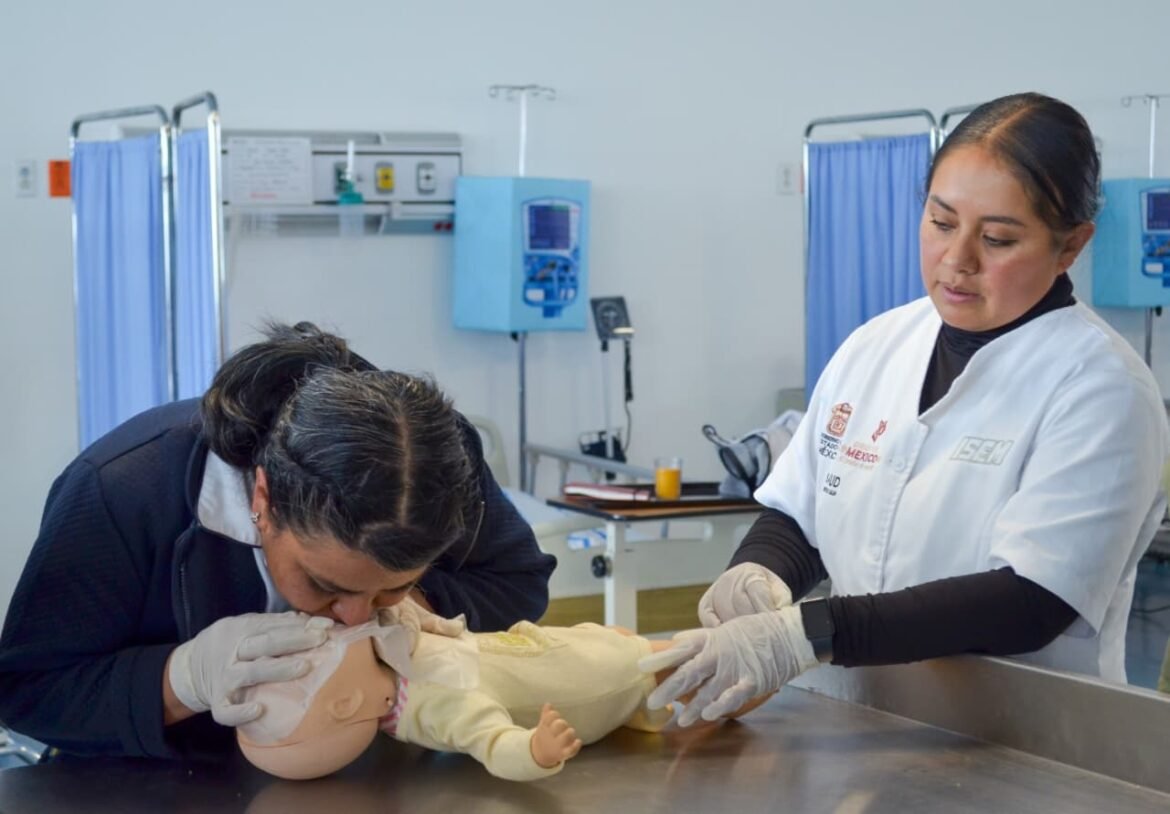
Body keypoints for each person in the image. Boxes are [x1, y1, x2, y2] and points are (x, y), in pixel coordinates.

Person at [642, 92, 1170, 725]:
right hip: (865, 718)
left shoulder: (1102, 388)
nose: (958, 260)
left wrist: (806, 632)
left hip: (1022, 743)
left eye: (998, 238)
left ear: (1071, 247)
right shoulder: (876, 346)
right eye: (941, 222)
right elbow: (804, 510)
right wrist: (759, 571)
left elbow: (1031, 600)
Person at [0, 322, 555, 759]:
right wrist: (183, 680)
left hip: (377, 772)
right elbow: (28, 691)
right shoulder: (120, 490)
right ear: (263, 498)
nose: (355, 617)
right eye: (325, 585)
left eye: (390, 589)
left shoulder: (431, 462)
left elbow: (517, 583)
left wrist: (418, 609)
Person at [234, 612, 763, 782]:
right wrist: (534, 751)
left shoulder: (388, 654)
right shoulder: (433, 707)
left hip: (561, 645)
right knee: (716, 672)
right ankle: (769, 668)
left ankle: (760, 649)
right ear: (344, 707)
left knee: (705, 652)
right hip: (610, 679)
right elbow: (492, 742)